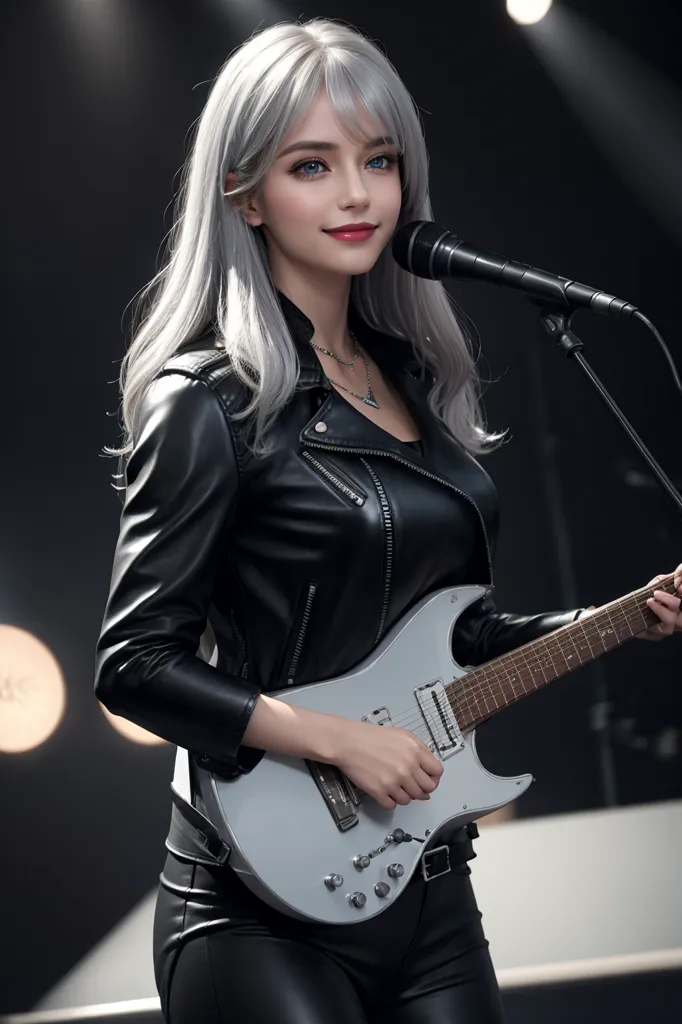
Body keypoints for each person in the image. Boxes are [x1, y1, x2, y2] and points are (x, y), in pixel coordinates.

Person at [94, 17, 682, 1024]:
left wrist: (625, 614)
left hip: (423, 882)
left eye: (378, 160)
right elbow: (133, 662)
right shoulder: (206, 397)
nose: (359, 194)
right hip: (251, 904)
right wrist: (337, 742)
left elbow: (456, 640)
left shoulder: (410, 375)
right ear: (245, 190)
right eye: (312, 166)